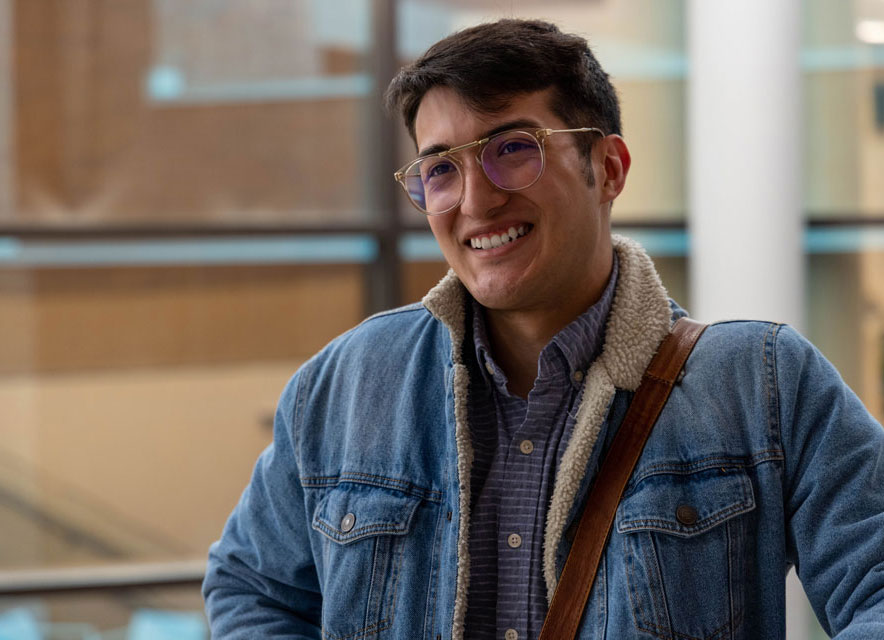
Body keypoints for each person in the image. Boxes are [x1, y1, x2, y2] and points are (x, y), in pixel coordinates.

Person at [202, 19, 884, 639]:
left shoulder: (760, 384)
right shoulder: (346, 383)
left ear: (608, 169)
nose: (475, 200)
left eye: (513, 149)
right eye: (441, 169)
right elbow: (252, 589)